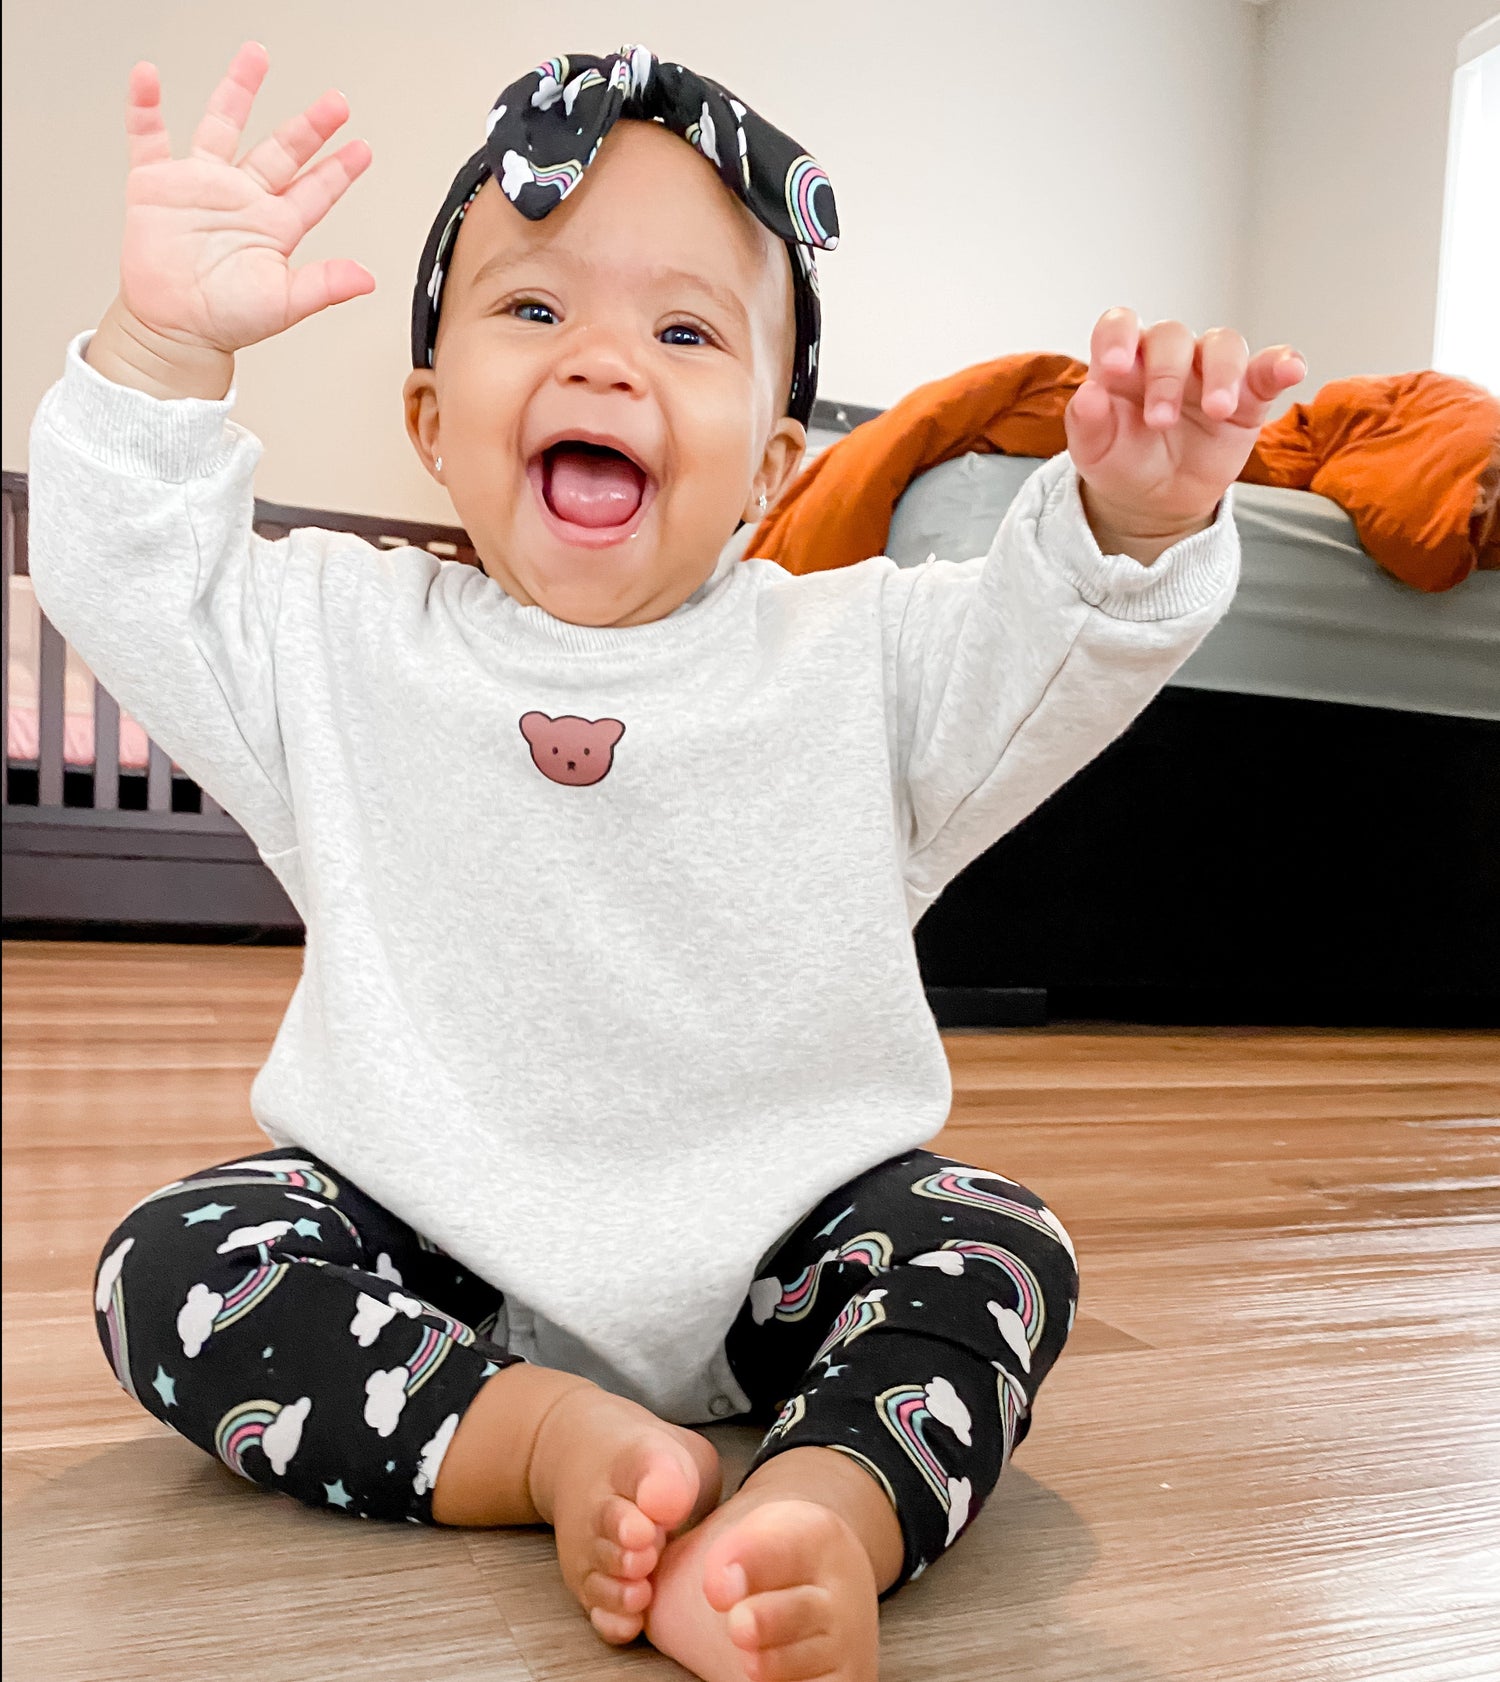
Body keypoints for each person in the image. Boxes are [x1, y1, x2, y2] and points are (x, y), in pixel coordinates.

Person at [31, 41, 1305, 1682]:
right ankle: (540, 1439)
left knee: (994, 1242)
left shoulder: (863, 661)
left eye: (686, 332)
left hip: (789, 1253)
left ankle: (825, 1506)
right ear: (431, 421)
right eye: (534, 308)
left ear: (774, 466)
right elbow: (128, 567)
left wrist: (1132, 520)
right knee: (175, 1259)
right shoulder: (332, 637)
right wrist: (162, 347)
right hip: (425, 1251)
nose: (605, 360)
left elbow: (1052, 637)